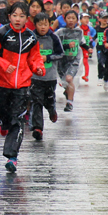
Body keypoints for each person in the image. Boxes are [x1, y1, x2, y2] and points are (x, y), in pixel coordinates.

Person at [0, 1, 44, 172]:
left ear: (27, 18)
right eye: (15, 15)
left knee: (17, 120)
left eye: (22, 16)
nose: (18, 19)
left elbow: (34, 57)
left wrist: (38, 68)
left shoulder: (31, 37)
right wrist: (3, 63)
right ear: (9, 16)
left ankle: (12, 157)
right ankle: (2, 121)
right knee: (6, 115)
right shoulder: (1, 34)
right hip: (2, 83)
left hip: (22, 85)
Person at [29, 12, 64, 141]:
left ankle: (52, 110)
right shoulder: (31, 37)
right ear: (35, 25)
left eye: (46, 24)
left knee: (48, 99)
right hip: (35, 77)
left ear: (50, 25)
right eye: (40, 24)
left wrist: (47, 57)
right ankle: (38, 128)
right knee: (36, 101)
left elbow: (60, 54)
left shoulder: (53, 38)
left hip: (50, 77)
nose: (43, 27)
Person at [55, 10, 86, 112]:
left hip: (74, 60)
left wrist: (88, 48)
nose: (71, 20)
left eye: (73, 18)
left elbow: (82, 42)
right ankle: (67, 92)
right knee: (65, 82)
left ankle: (69, 103)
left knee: (69, 79)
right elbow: (55, 45)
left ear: (77, 20)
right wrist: (67, 46)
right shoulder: (60, 32)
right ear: (65, 19)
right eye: (69, 18)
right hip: (62, 61)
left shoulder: (79, 31)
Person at [95, 12, 108, 89]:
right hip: (100, 48)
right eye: (103, 18)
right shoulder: (97, 28)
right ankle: (100, 77)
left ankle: (106, 79)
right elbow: (93, 37)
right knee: (100, 62)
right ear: (99, 19)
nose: (105, 20)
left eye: (106, 18)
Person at [79, 13, 96, 82]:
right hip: (79, 48)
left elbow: (95, 35)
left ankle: (86, 76)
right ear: (80, 20)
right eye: (84, 18)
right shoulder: (78, 28)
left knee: (85, 61)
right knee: (78, 62)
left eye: (87, 18)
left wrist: (91, 39)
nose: (86, 20)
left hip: (86, 47)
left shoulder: (90, 28)